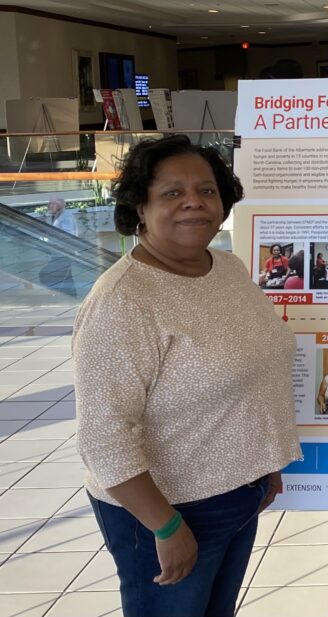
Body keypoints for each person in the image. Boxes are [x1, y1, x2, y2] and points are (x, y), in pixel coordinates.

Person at [73, 135, 301, 617]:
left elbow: (254, 370)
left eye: (207, 190)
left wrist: (265, 463)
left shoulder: (227, 267)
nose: (194, 202)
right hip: (170, 511)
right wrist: (165, 526)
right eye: (172, 193)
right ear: (140, 206)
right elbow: (103, 433)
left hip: (238, 492)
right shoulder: (123, 301)